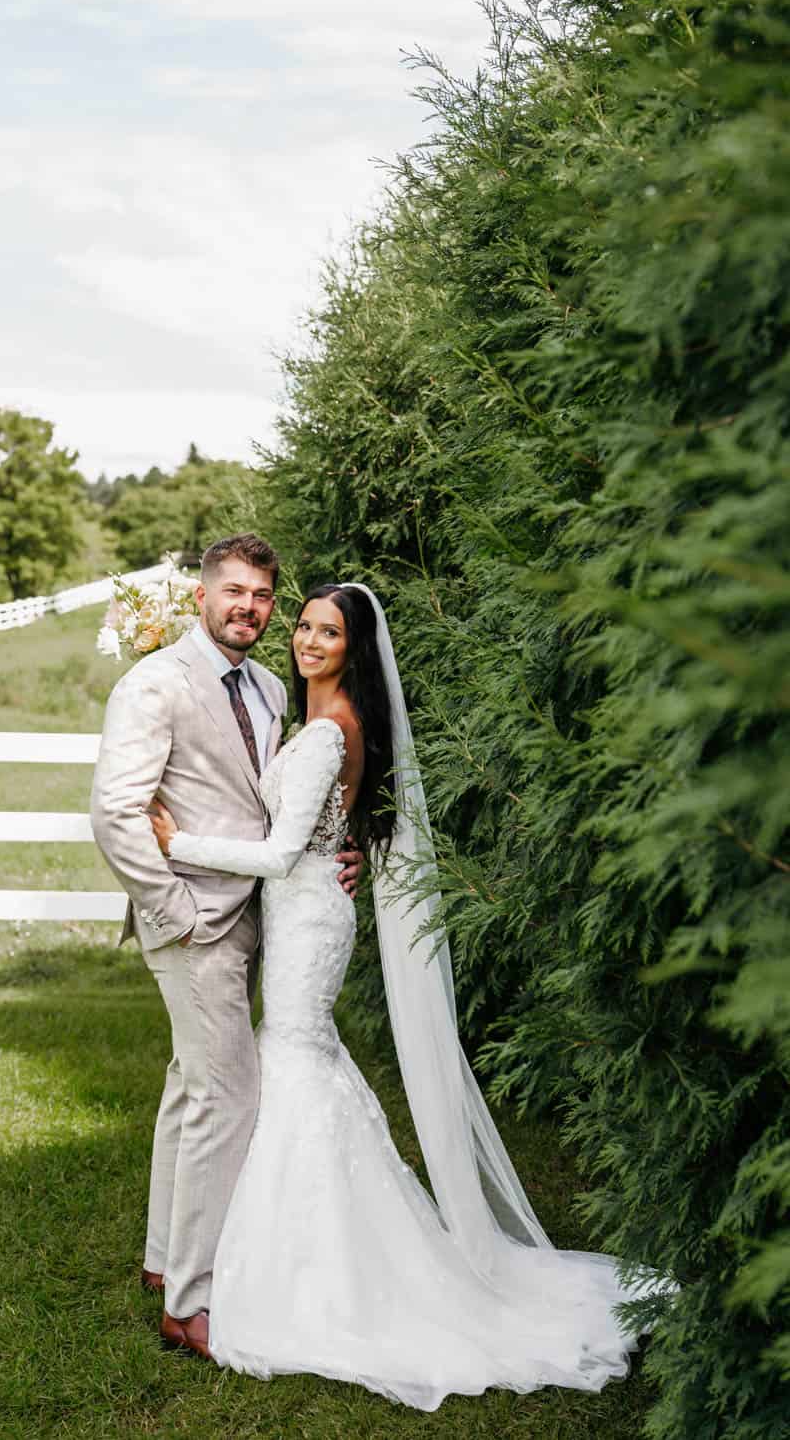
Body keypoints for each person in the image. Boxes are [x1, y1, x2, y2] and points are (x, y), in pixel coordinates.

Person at [147, 582, 654, 1410]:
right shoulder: (321, 723)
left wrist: (180, 842)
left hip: (306, 918)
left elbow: (277, 855)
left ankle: (297, 1263)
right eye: (304, 626)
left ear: (354, 649)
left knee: (291, 1061)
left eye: (329, 632)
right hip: (311, 908)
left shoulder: (325, 733)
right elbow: (323, 830)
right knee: (298, 1058)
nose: (310, 641)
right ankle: (255, 1246)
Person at [90, 536, 361, 1361]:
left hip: (259, 917)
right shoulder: (155, 683)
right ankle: (192, 1303)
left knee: (190, 1087)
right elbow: (116, 813)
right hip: (194, 922)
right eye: (234, 591)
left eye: (262, 595)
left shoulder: (276, 684)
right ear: (203, 595)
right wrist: (174, 911)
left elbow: (289, 802)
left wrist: (335, 849)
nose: (249, 606)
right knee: (229, 1096)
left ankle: (163, 1258)